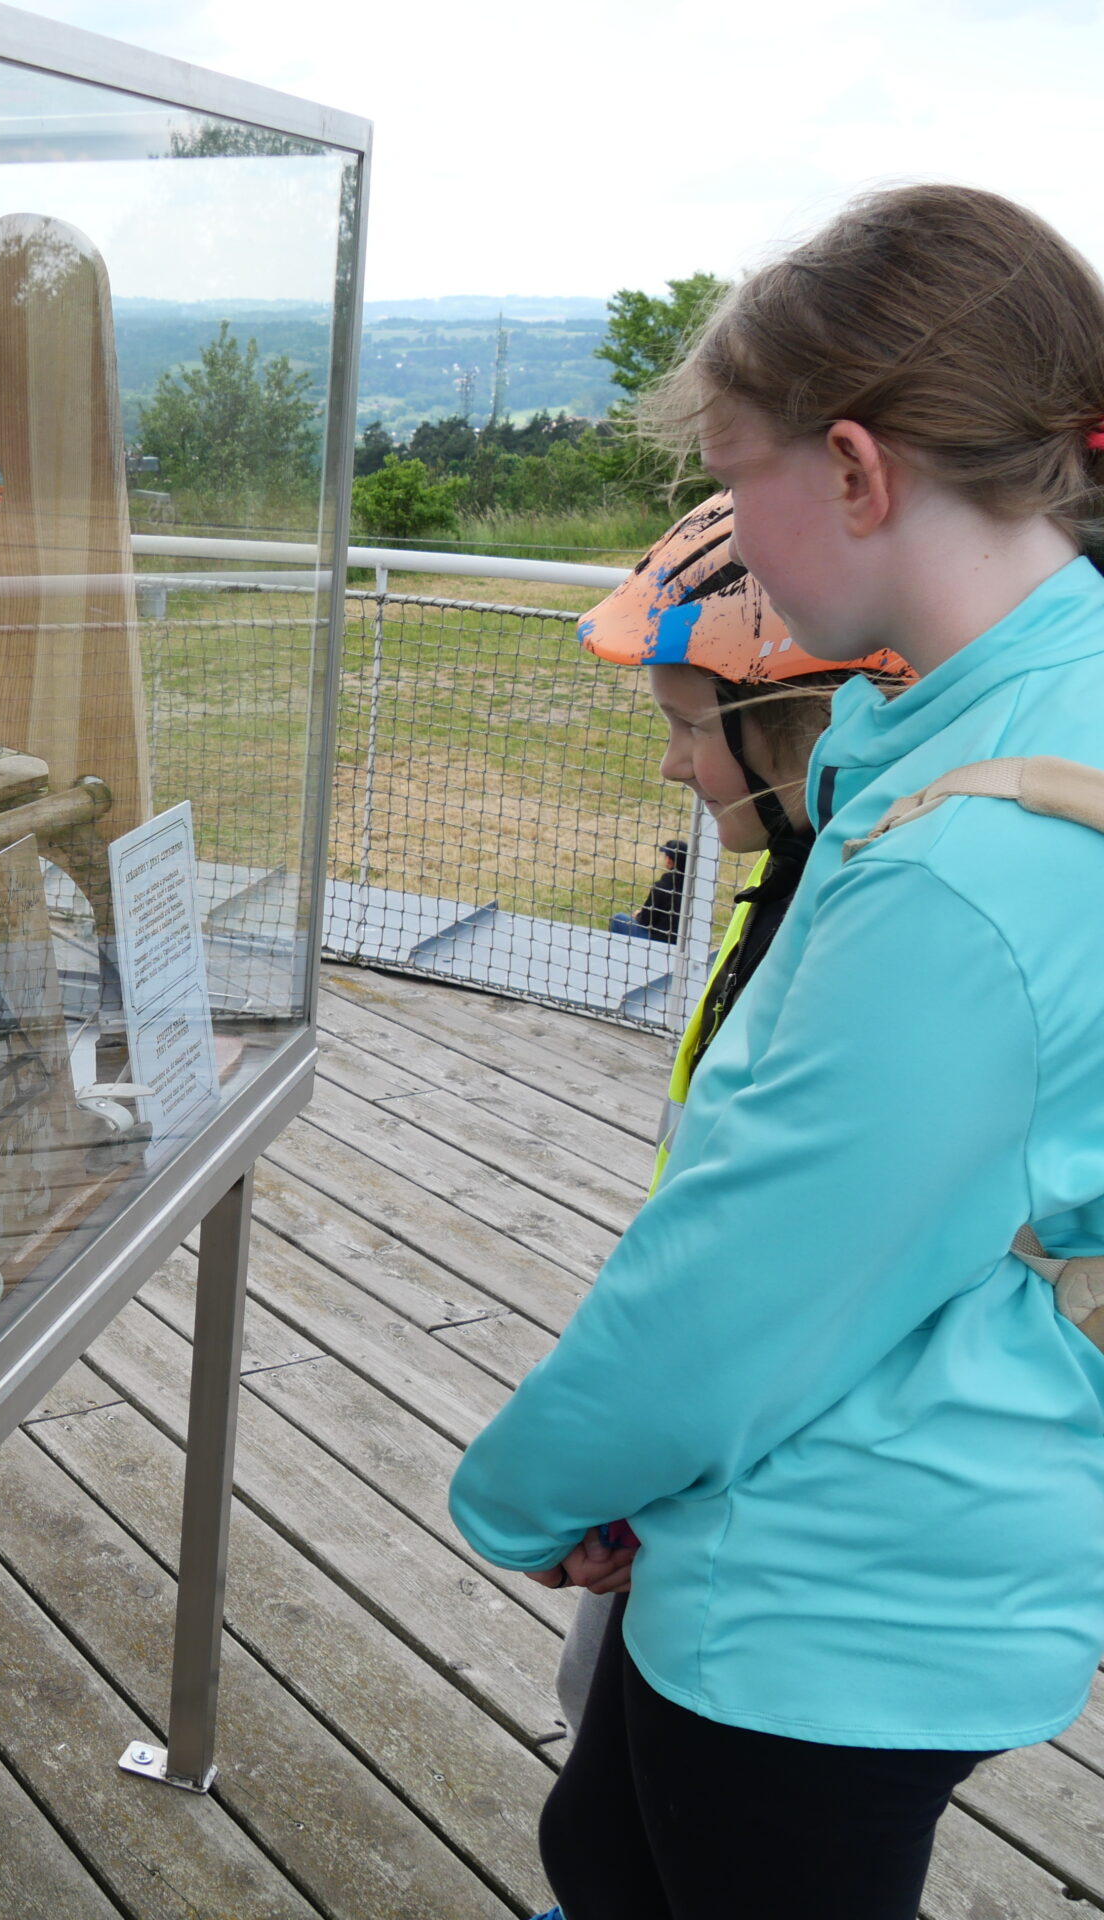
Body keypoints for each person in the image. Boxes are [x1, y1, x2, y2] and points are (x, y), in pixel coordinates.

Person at [451, 181, 1104, 1920]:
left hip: (832, 1587)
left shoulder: (972, 872)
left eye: (734, 475)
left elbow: (750, 1283)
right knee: (605, 1850)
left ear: (857, 472)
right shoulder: (1019, 703)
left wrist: (529, 1494)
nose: (725, 520)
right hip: (919, 1508)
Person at [552, 494, 913, 1729]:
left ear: (805, 726)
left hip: (778, 1523)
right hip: (717, 1470)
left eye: (685, 726)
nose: (670, 764)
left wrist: (610, 1472)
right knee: (604, 1790)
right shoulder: (799, 895)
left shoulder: (876, 941)